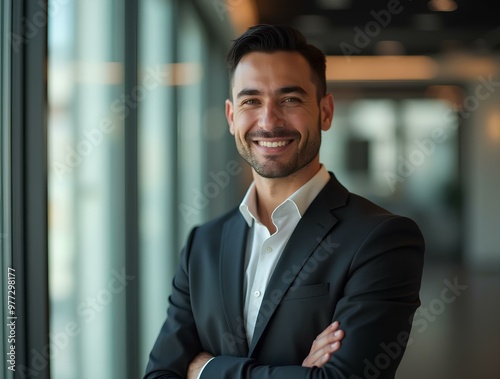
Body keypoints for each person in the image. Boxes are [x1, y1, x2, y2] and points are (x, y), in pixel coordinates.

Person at [144, 24, 424, 379]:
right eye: (251, 101)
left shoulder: (382, 239)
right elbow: (159, 375)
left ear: (325, 112)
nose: (269, 121)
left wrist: (206, 370)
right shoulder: (204, 243)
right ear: (232, 117)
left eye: (290, 99)